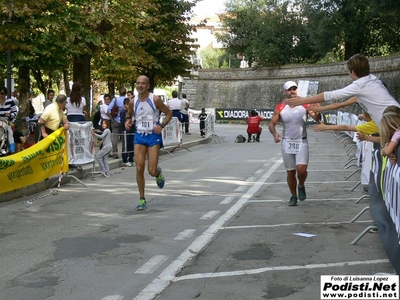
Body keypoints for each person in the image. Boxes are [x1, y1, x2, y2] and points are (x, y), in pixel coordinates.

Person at [285, 54, 400, 126]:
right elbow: (338, 104)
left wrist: (302, 100)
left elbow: (332, 95)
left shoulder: (359, 85)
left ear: (352, 72)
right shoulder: (373, 80)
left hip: (393, 123)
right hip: (394, 121)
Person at [268, 81, 320, 206]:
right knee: (290, 171)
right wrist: (275, 134)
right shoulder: (280, 107)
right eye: (289, 89)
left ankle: (301, 184)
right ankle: (293, 195)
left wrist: (317, 110)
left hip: (301, 141)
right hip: (287, 142)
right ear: (285, 92)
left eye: (294, 89)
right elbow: (271, 124)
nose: (292, 91)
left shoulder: (305, 105)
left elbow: (317, 119)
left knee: (301, 170)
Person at [125, 75, 172, 211]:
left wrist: (161, 125)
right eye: (138, 83)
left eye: (143, 83)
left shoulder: (155, 99)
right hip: (139, 135)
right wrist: (128, 121)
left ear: (148, 85)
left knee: (151, 170)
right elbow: (129, 115)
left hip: (153, 136)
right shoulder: (133, 102)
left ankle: (158, 173)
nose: (140, 85)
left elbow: (169, 113)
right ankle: (142, 198)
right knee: (139, 168)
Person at [108, 87, 126, 159]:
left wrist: (111, 118)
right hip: (124, 121)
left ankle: (115, 153)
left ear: (119, 92)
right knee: (124, 137)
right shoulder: (127, 100)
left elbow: (108, 109)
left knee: (114, 138)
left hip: (115, 120)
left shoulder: (115, 100)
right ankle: (124, 152)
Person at [120, 97, 135, 167]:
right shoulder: (123, 112)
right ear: (125, 105)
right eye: (127, 105)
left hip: (132, 130)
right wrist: (128, 123)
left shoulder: (132, 112)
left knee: (131, 145)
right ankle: (124, 160)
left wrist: (133, 121)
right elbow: (122, 122)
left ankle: (131, 159)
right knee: (125, 146)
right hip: (125, 131)